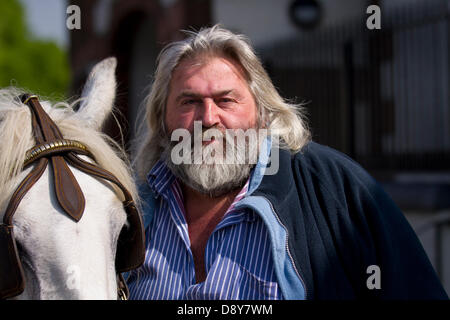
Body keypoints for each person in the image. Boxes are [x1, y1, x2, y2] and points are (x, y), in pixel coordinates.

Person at [127, 25, 448, 300]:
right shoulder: (129, 208)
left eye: (226, 100)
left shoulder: (336, 189)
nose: (208, 119)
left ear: (263, 113)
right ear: (162, 119)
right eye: (189, 102)